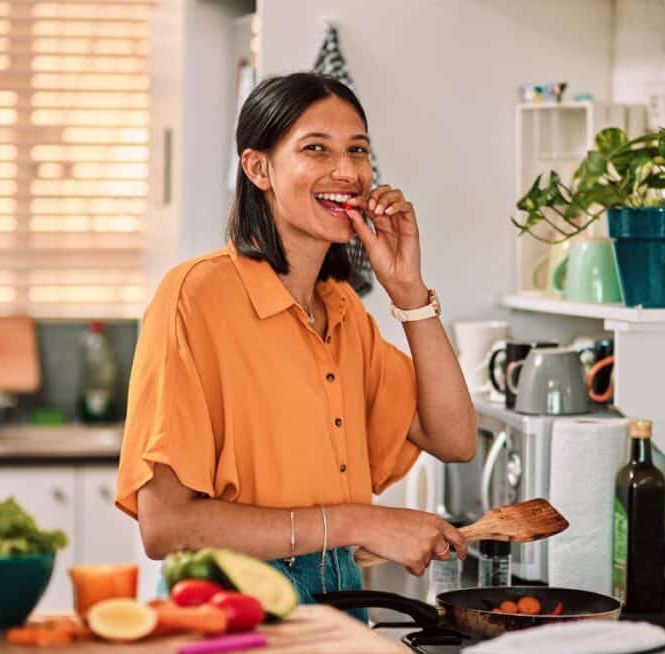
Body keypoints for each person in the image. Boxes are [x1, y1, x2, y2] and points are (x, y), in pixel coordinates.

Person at [115, 72, 476, 621]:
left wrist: (408, 290)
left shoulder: (343, 311)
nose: (347, 172)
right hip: (230, 603)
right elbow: (166, 526)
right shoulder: (196, 296)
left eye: (358, 150)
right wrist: (361, 521)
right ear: (258, 168)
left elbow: (454, 437)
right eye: (316, 149)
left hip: (341, 594)